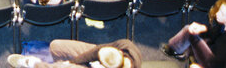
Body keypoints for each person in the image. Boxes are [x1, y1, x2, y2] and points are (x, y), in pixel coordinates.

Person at [161, 0, 226, 68]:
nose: (217, 14)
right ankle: (175, 50)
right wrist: (203, 28)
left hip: (215, 64)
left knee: (189, 33)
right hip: (214, 53)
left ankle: (175, 50)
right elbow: (213, 34)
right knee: (190, 29)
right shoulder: (224, 23)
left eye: (222, 13)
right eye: (219, 10)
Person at [8, 38, 143, 68]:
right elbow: (96, 51)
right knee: (56, 46)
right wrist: (74, 61)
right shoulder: (126, 45)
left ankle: (30, 64)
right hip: (95, 61)